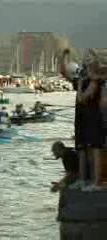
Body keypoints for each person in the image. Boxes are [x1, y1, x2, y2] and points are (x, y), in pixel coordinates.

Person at [60, 48, 105, 189]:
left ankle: (95, 181)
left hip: (93, 116)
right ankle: (83, 179)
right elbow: (63, 72)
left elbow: (83, 98)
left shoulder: (95, 78)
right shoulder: (83, 77)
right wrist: (64, 56)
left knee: (94, 148)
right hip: (81, 117)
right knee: (81, 148)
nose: (86, 60)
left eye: (89, 58)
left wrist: (80, 85)